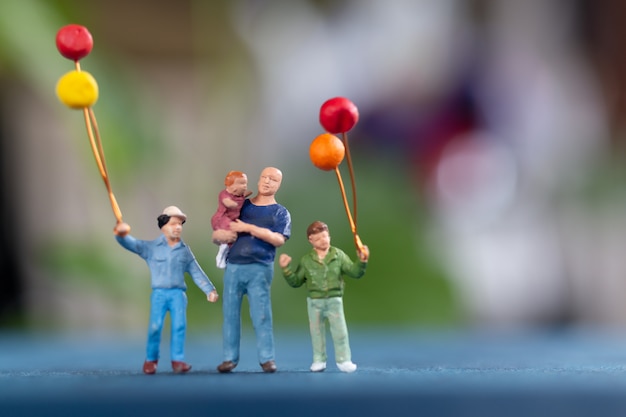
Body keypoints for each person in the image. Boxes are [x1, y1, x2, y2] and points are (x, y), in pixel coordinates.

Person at [113, 206, 219, 375]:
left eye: (180, 224)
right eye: (173, 223)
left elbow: (196, 272)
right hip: (159, 295)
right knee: (155, 327)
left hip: (177, 295)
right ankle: (151, 360)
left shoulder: (184, 251)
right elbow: (132, 244)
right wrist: (121, 234)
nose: (177, 227)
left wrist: (209, 290)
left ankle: (178, 360)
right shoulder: (152, 248)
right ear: (163, 225)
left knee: (179, 327)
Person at [212, 167, 291, 373]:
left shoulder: (279, 212)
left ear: (278, 185)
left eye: (272, 179)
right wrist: (219, 235)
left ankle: (267, 358)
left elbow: (278, 239)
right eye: (264, 177)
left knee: (261, 314)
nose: (267, 182)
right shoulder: (242, 206)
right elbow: (222, 223)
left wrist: (249, 228)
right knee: (230, 314)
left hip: (260, 267)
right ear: (257, 180)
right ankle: (229, 358)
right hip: (234, 266)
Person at [278, 221, 369, 373]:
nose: (323, 240)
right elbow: (296, 282)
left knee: (340, 332)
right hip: (315, 302)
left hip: (334, 300)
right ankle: (318, 360)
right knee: (316, 333)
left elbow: (354, 272)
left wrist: (362, 261)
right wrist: (286, 269)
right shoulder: (306, 261)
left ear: (329, 236)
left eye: (325, 236)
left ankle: (344, 360)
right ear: (311, 241)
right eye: (319, 238)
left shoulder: (338, 256)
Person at [211, 170, 252, 269]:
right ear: (231, 186)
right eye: (242, 183)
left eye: (245, 183)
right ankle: (221, 253)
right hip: (221, 219)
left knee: (233, 240)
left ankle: (227, 255)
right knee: (230, 235)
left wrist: (248, 194)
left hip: (232, 221)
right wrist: (231, 204)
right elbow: (226, 201)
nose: (245, 186)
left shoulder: (240, 196)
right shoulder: (224, 194)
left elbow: (245, 195)